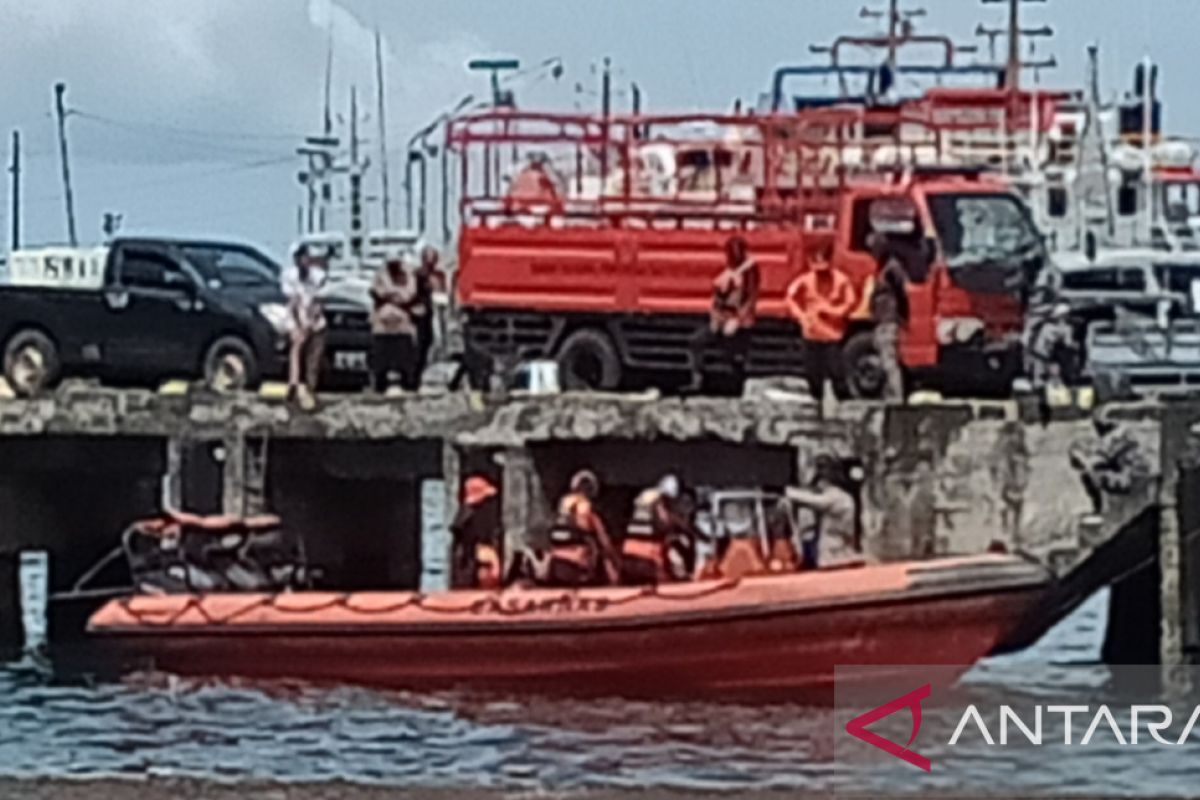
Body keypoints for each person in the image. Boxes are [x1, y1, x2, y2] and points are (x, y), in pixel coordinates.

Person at [687, 235, 760, 391]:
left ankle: (737, 381)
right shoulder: (726, 270)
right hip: (721, 315)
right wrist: (715, 315)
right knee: (696, 341)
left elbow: (751, 296)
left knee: (731, 345)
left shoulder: (749, 270)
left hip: (737, 318)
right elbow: (716, 295)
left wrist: (739, 319)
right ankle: (697, 378)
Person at [785, 246, 857, 405]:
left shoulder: (841, 280)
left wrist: (832, 311)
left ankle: (844, 404)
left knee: (837, 373)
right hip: (811, 334)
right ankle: (815, 403)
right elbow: (790, 296)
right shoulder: (805, 280)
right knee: (812, 373)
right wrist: (800, 316)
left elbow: (850, 303)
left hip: (832, 335)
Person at [542, 470, 620, 587]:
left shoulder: (562, 504)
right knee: (604, 551)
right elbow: (601, 537)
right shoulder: (585, 507)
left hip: (556, 558)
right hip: (578, 556)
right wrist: (613, 556)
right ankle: (614, 583)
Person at [1069, 408, 1151, 515]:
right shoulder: (1122, 433)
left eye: (1097, 425)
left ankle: (1099, 509)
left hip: (1132, 479)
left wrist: (1083, 460)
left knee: (1089, 474)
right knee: (1092, 472)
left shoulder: (1117, 436)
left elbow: (1102, 458)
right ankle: (1101, 508)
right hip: (1136, 477)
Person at [786, 455, 860, 569]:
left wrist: (785, 491)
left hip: (836, 556)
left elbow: (816, 501)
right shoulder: (841, 497)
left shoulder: (837, 497)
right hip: (829, 553)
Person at [621, 474, 690, 584]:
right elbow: (663, 522)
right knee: (674, 568)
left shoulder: (645, 496)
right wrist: (682, 527)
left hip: (629, 551)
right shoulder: (658, 502)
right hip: (649, 554)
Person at [283, 244, 328, 408]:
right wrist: (299, 325)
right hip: (297, 320)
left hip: (315, 321)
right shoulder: (290, 277)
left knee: (314, 356)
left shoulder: (318, 277)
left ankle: (311, 388)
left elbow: (319, 302)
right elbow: (292, 303)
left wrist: (311, 321)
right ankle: (293, 383)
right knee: (296, 347)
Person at [868, 234, 910, 403]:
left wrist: (902, 316)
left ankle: (896, 396)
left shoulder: (891, 269)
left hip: (888, 320)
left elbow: (901, 294)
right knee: (884, 357)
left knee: (889, 360)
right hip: (882, 320)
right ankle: (890, 393)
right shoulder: (883, 268)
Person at [369, 254, 420, 393]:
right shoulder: (380, 275)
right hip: (383, 326)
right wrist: (391, 297)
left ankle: (408, 382)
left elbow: (410, 294)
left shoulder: (409, 275)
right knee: (381, 358)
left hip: (403, 325)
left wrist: (396, 297)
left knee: (405, 358)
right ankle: (380, 382)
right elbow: (377, 292)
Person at [448, 476, 502, 589]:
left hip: (464, 567)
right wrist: (493, 563)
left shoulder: (462, 517)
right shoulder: (475, 517)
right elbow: (483, 549)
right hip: (472, 569)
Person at [412, 245, 443, 386]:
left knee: (430, 341)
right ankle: (415, 376)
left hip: (433, 312)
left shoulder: (438, 275)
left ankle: (420, 372)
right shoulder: (418, 274)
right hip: (421, 314)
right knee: (422, 343)